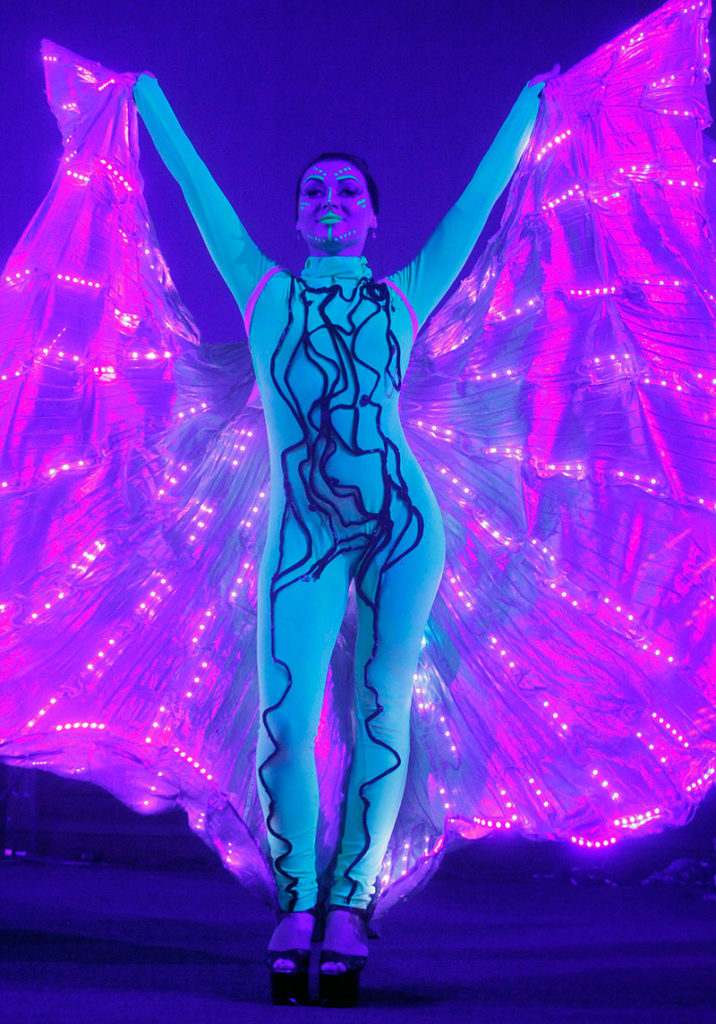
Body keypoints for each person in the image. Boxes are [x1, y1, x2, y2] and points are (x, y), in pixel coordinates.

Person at [132, 64, 555, 1005]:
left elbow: (476, 205)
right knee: (284, 725)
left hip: (402, 528)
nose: (331, 201)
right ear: (297, 218)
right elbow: (197, 187)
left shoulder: (404, 295)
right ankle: (296, 903)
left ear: (371, 220)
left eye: (348, 193)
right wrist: (149, 96)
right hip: (303, 534)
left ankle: (350, 906)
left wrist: (529, 106)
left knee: (379, 715)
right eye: (315, 192)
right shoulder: (263, 295)